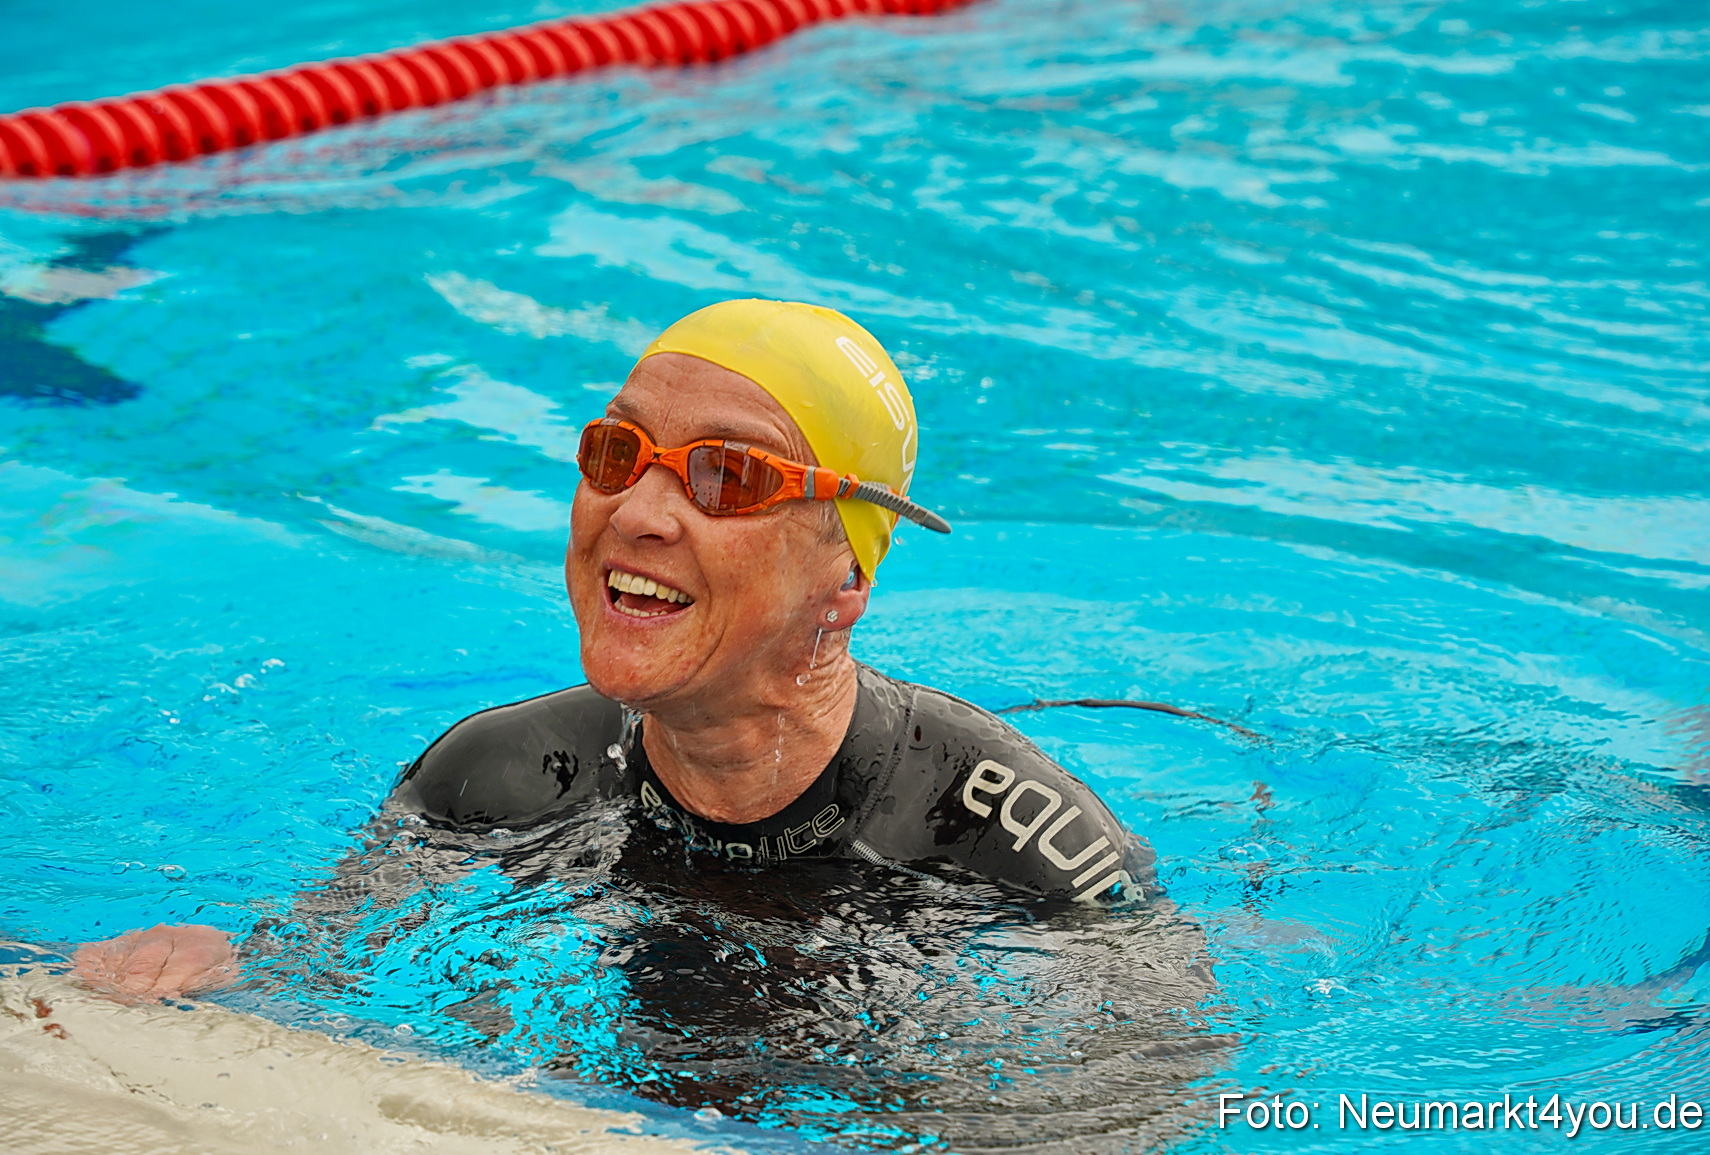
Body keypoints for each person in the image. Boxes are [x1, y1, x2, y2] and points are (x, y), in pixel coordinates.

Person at [69, 299, 1147, 1003]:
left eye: (726, 476)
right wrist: (205, 971)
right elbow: (309, 969)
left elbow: (1141, 1087)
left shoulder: (1016, 840)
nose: (636, 512)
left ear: (847, 576)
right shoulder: (493, 775)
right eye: (618, 452)